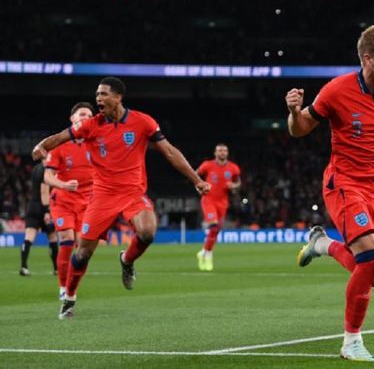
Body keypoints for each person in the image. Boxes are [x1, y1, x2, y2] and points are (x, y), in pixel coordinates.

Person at [288, 25, 374, 361]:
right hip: (344, 183)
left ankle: (322, 244)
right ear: (367, 58)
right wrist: (293, 112)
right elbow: (301, 129)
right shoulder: (336, 91)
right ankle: (351, 342)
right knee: (370, 258)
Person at [32, 77, 210, 319]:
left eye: (103, 94)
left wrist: (196, 180)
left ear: (118, 97)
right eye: (97, 94)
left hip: (133, 193)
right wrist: (42, 146)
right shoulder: (91, 125)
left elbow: (169, 151)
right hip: (102, 196)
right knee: (83, 252)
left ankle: (126, 260)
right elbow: (60, 137)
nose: (98, 99)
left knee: (147, 232)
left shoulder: (143, 122)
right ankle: (69, 298)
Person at [43, 102, 94, 300]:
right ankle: (63, 288)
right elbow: (48, 177)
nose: (86, 118)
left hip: (88, 204)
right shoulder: (60, 144)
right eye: (82, 114)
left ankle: (72, 289)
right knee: (67, 241)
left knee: (84, 250)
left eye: (89, 115)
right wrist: (63, 185)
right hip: (63, 200)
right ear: (72, 119)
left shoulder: (96, 143)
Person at [196, 143, 242, 271]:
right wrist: (199, 185)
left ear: (227, 153)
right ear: (215, 153)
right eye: (219, 150)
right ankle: (209, 254)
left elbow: (238, 182)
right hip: (208, 200)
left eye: (224, 150)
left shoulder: (233, 168)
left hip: (223, 202)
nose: (222, 152)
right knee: (213, 225)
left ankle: (204, 252)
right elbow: (195, 175)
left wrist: (234, 186)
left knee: (216, 230)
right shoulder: (207, 165)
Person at [20, 158, 58, 276]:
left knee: (29, 237)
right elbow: (44, 191)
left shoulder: (36, 168)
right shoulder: (46, 170)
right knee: (52, 238)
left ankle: (23, 266)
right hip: (43, 206)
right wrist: (47, 210)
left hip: (32, 206)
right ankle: (56, 269)